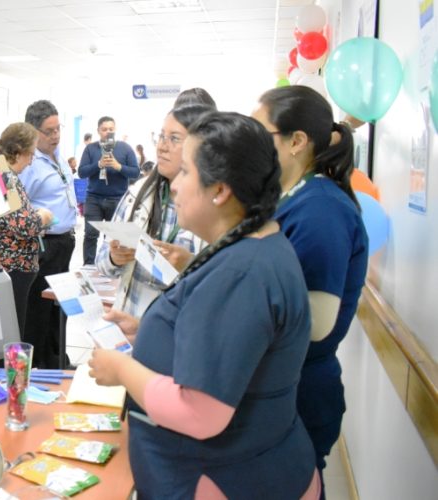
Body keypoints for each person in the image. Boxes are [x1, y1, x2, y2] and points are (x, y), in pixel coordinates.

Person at [89, 111, 319, 499]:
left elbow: (200, 413)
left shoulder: (242, 274)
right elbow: (234, 348)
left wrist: (123, 369)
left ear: (220, 190)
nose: (174, 186)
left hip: (227, 478)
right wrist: (149, 333)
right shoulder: (253, 248)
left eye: (186, 173)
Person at [252, 86, 368, 490]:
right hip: (281, 383)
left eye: (259, 133)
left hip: (299, 390)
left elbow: (316, 323)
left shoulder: (321, 209)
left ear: (297, 141)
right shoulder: (290, 197)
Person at [95, 105, 209, 318]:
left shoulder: (213, 206)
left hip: (179, 330)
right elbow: (101, 262)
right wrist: (114, 257)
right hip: (130, 324)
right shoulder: (138, 193)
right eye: (161, 136)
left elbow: (223, 286)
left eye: (174, 138)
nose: (162, 147)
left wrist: (190, 264)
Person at [17, 100, 78, 368]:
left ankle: (56, 358)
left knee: (59, 306)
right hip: (44, 244)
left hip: (64, 242)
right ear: (33, 132)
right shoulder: (29, 164)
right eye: (49, 131)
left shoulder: (57, 155)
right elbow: (17, 207)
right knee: (39, 308)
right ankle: (39, 363)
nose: (55, 136)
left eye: (58, 129)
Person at [0, 122, 52, 338]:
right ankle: (5, 373)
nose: (30, 162)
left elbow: (11, 215)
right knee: (7, 335)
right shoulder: (6, 176)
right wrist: (42, 217)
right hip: (11, 268)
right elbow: (23, 225)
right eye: (30, 155)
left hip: (4, 265)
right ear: (18, 152)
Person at [78, 116, 140, 265]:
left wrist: (118, 166)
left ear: (115, 130)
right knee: (91, 234)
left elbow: (135, 172)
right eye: (104, 129)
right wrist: (98, 164)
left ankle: (108, 267)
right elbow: (81, 172)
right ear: (98, 131)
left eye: (111, 129)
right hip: (94, 198)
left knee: (113, 238)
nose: (107, 132)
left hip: (117, 199)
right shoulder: (90, 149)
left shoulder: (125, 148)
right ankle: (88, 266)